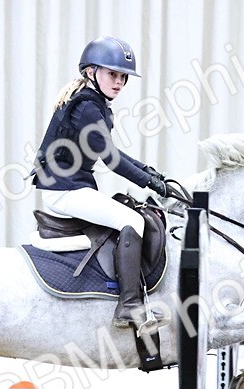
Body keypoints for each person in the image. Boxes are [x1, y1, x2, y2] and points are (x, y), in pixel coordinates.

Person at [32, 36, 170, 331]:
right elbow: (111, 159)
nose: (119, 82)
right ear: (91, 71)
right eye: (112, 74)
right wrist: (149, 183)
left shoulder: (91, 100)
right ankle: (130, 306)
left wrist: (148, 171)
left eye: (123, 77)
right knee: (133, 221)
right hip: (64, 190)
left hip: (68, 185)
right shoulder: (88, 108)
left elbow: (111, 151)